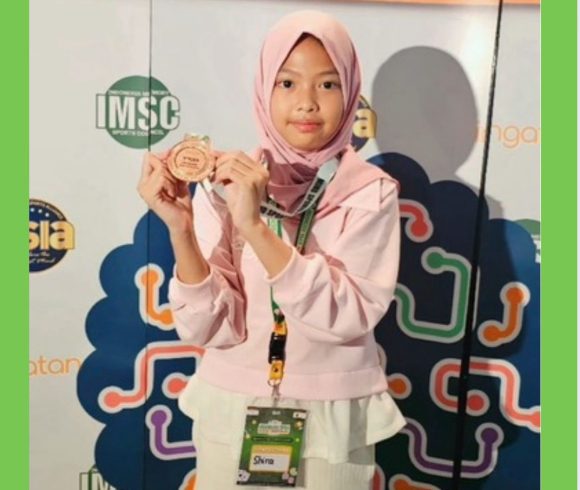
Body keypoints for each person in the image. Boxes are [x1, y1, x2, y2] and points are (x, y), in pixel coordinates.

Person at [138, 10, 406, 490]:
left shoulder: (371, 192)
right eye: (287, 83)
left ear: (350, 92)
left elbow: (348, 315)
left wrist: (255, 227)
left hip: (333, 414)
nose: (306, 103)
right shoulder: (225, 182)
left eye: (328, 84)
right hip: (230, 406)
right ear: (265, 88)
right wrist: (181, 230)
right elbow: (207, 327)